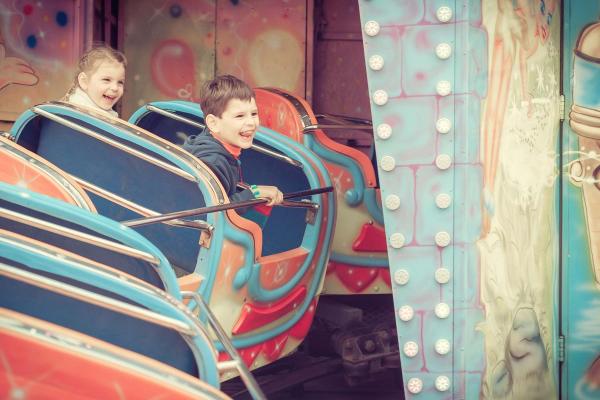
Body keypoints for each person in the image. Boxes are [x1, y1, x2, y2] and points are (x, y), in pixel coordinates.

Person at [183, 74, 283, 210]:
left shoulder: (207, 142)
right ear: (213, 123)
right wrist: (255, 193)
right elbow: (215, 211)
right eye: (239, 116)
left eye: (254, 114)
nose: (251, 123)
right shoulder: (214, 162)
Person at [62, 45, 126, 118]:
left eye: (120, 82)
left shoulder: (100, 113)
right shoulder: (78, 114)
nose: (115, 88)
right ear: (84, 81)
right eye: (106, 80)